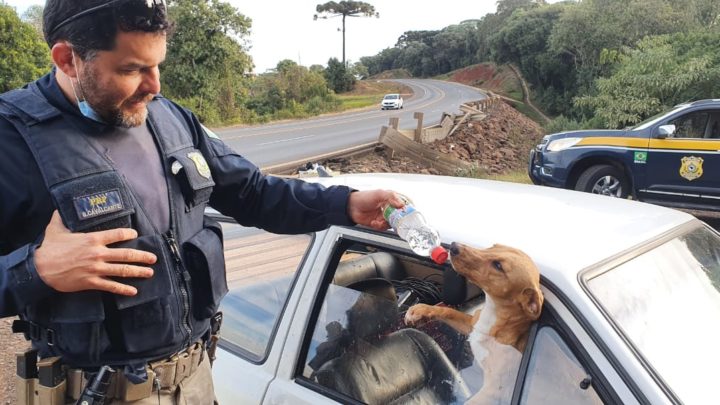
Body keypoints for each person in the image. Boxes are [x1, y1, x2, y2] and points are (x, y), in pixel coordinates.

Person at [0, 0, 403, 403]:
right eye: (131, 69)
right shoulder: (11, 141)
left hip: (195, 380)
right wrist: (35, 270)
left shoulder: (169, 119)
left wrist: (346, 204)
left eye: (157, 65)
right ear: (68, 58)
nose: (154, 85)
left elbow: (252, 193)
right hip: (94, 392)